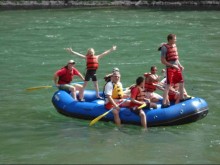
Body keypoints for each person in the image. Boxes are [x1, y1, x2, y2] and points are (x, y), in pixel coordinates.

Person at [159, 34, 191, 108]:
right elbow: (163, 61)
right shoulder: (164, 48)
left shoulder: (175, 46)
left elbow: (176, 58)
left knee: (181, 81)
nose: (175, 40)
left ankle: (182, 97)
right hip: (170, 68)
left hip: (177, 67)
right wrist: (172, 65)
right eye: (174, 39)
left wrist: (180, 65)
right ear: (170, 39)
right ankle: (164, 103)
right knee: (168, 85)